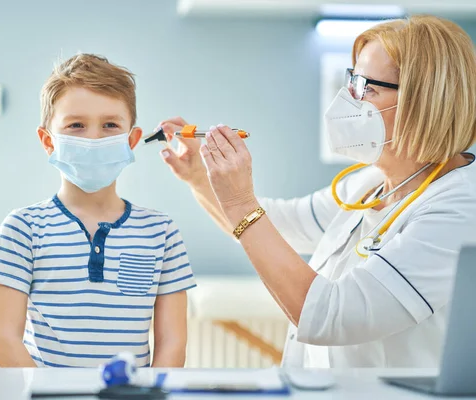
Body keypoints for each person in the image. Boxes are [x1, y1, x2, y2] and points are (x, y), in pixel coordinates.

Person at [157, 15, 476, 367]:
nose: (349, 99)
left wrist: (239, 201)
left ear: (425, 101)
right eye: (352, 81)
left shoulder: (461, 208)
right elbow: (273, 229)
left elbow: (334, 316)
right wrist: (201, 179)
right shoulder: (369, 183)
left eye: (368, 88)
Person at [0, 54, 196, 368]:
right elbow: (3, 342)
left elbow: (172, 346)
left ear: (132, 140)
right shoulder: (22, 228)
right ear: (48, 141)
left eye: (110, 125)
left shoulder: (161, 232)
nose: (93, 138)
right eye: (76, 125)